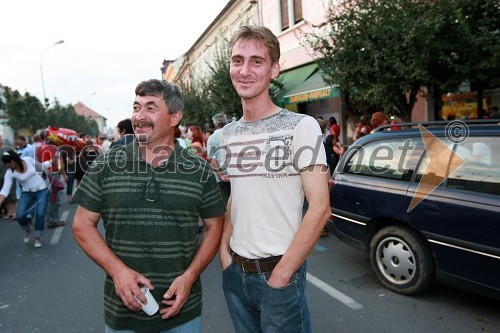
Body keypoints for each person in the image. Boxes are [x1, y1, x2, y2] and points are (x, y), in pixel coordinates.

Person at [72, 79, 225, 333]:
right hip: (122, 315)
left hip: (182, 314)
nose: (139, 117)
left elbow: (214, 226)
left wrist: (190, 277)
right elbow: (81, 224)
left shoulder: (198, 170)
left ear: (175, 117)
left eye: (150, 108)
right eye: (136, 107)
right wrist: (118, 271)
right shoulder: (106, 165)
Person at [219, 26, 331, 332]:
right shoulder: (229, 134)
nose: (244, 70)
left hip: (280, 277)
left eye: (256, 61)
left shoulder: (302, 125)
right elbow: (237, 195)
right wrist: (224, 252)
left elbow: (320, 207)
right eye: (237, 60)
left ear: (274, 69)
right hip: (236, 276)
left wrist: (282, 274)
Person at [0, 150, 55, 248]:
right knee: (20, 215)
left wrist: (51, 162)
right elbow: (5, 190)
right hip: (27, 192)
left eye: (10, 162)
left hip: (41, 190)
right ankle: (28, 229)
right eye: (6, 163)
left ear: (15, 159)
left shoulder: (28, 160)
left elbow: (40, 166)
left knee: (40, 214)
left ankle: (37, 237)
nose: (8, 165)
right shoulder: (9, 172)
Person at [206, 113, 230, 205]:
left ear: (215, 124)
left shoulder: (211, 138)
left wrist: (221, 176)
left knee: (225, 206)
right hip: (235, 176)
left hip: (220, 178)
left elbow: (212, 159)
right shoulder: (232, 135)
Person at [0, 135, 18, 219]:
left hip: (10, 174)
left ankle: (14, 212)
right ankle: (9, 212)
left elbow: (16, 157)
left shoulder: (7, 149)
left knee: (12, 194)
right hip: (0, 177)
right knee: (3, 195)